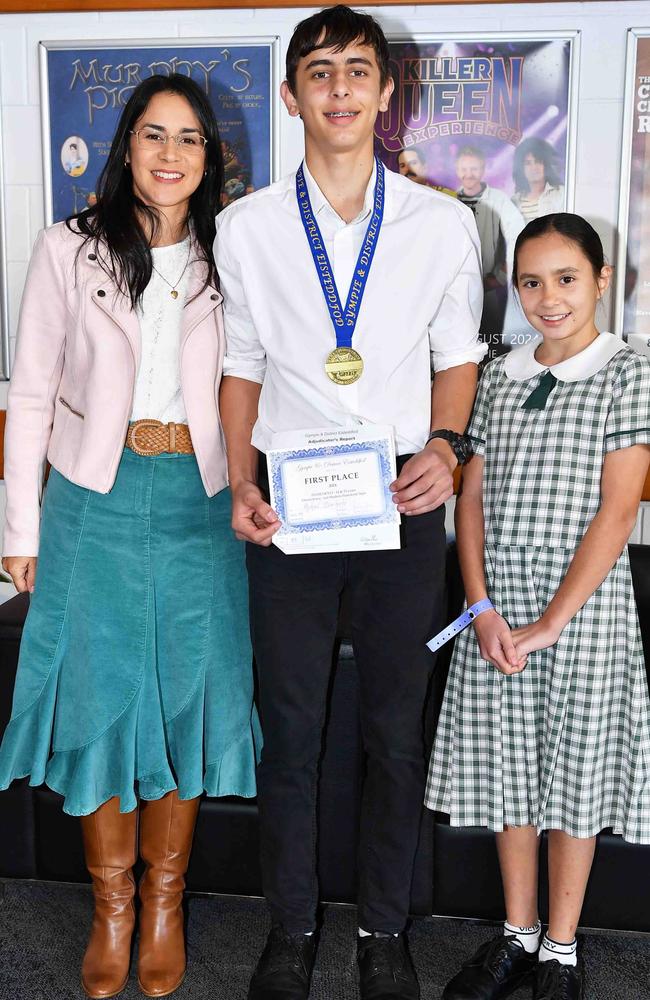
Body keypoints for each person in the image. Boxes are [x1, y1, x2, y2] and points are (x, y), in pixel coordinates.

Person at [214, 6, 485, 1000]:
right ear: (291, 97)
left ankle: (381, 929)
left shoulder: (440, 224)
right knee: (288, 728)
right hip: (288, 506)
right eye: (318, 73)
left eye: (355, 71)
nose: (337, 88)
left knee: (392, 727)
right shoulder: (242, 227)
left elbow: (457, 359)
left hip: (402, 500)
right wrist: (240, 478)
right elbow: (240, 367)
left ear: (383, 94)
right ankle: (288, 930)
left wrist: (447, 450)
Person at [0, 74, 260, 999]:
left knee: (184, 697)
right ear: (125, 146)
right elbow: (29, 392)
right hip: (91, 500)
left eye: (189, 139)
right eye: (154, 134)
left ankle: (164, 903)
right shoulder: (68, 248)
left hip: (198, 503)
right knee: (103, 700)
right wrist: (18, 529)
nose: (169, 154)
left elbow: (259, 381)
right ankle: (112, 904)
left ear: (209, 158)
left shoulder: (235, 255)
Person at [426, 213, 650, 1000]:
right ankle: (517, 936)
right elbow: (473, 503)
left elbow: (618, 511)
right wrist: (481, 606)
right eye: (530, 282)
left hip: (582, 609)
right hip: (499, 608)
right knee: (507, 770)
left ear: (601, 279)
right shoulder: (497, 374)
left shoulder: (630, 368)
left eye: (565, 278)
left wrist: (552, 620)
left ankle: (561, 948)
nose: (548, 298)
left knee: (574, 778)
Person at [456, 145, 525, 344]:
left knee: (491, 340)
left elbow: (517, 236)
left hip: (488, 289)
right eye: (464, 169)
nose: (468, 174)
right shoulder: (449, 200)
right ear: (457, 170)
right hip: (455, 289)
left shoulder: (499, 200)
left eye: (474, 169)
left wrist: (501, 276)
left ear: (483, 169)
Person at [512, 137, 565, 223]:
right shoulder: (514, 201)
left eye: (538, 161)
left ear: (546, 164)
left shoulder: (561, 194)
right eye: (528, 163)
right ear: (521, 169)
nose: (533, 168)